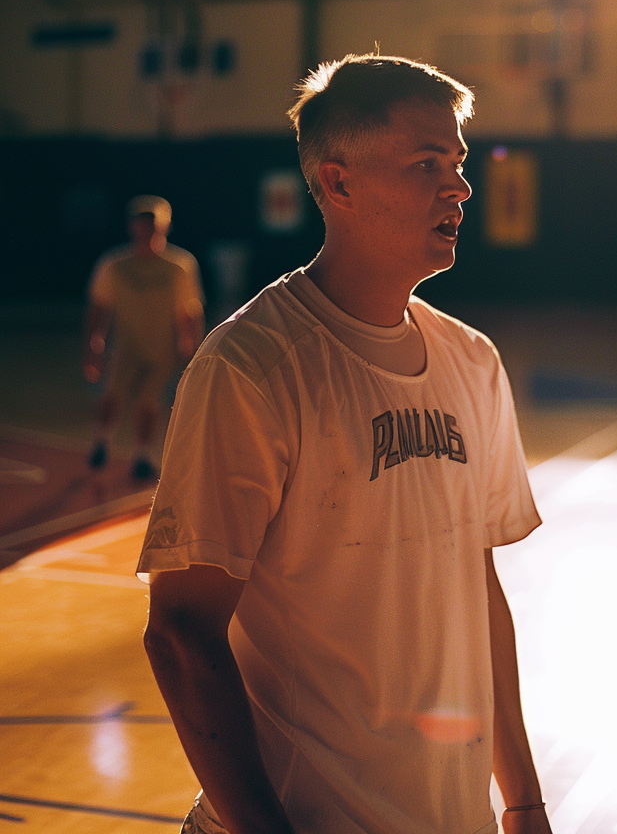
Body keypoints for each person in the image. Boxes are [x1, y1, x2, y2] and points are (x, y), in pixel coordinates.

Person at [138, 54, 553, 834]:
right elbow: (181, 631)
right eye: (426, 164)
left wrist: (522, 797)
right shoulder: (253, 366)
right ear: (337, 183)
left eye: (458, 163)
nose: (458, 187)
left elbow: (481, 592)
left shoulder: (473, 361)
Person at [83, 195, 205, 482]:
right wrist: (93, 346)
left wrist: (194, 348)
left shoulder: (179, 266)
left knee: (149, 401)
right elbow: (98, 306)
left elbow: (190, 310)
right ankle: (101, 440)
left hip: (161, 348)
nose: (147, 234)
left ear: (164, 228)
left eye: (153, 228)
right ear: (132, 228)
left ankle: (142, 455)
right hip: (125, 347)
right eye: (141, 227)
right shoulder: (115, 264)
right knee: (111, 394)